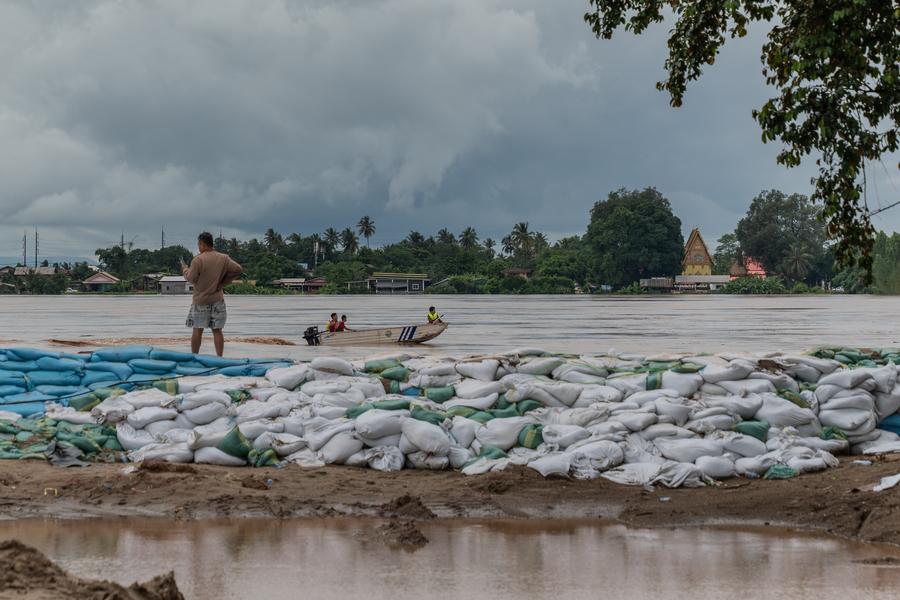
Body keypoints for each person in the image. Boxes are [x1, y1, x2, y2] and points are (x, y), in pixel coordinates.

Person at [181, 232, 242, 356]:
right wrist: (223, 282)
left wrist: (185, 270)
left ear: (202, 244)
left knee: (197, 330)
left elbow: (191, 278)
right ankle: (219, 358)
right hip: (217, 300)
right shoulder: (223, 258)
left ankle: (195, 357)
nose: (199, 247)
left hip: (201, 301)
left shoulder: (198, 260)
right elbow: (238, 269)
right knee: (217, 330)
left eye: (199, 244)